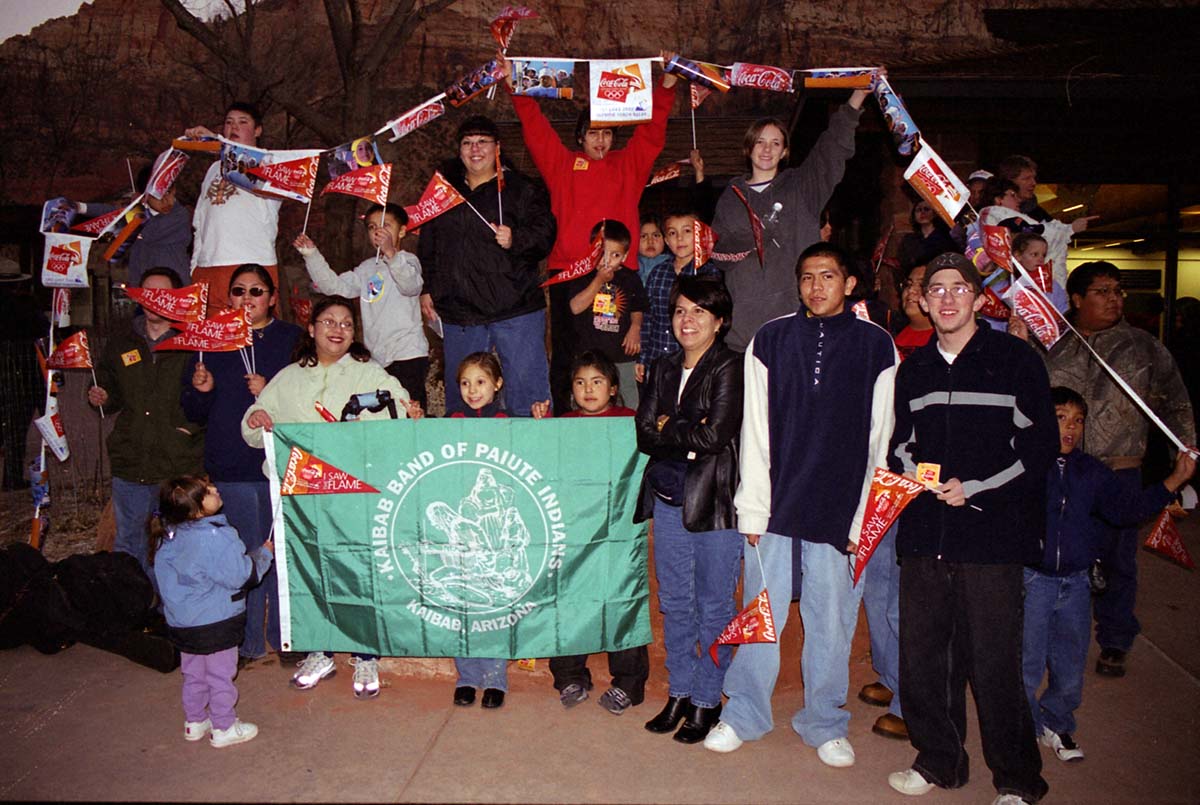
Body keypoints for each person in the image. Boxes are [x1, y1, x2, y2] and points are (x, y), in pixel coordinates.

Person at [705, 244, 897, 768]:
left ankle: (824, 720)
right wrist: (752, 509)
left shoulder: (877, 346)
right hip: (776, 503)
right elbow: (755, 432)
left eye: (828, 276)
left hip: (839, 508)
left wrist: (864, 517)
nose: (817, 286)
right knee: (760, 612)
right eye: (808, 277)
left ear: (849, 284)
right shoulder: (770, 339)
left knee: (831, 617)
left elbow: (881, 439)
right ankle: (744, 712)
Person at [885, 252, 1056, 803]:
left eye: (959, 288)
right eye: (936, 289)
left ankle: (1017, 779)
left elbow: (1039, 449)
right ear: (923, 300)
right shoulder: (915, 368)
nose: (947, 298)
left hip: (992, 534)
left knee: (994, 662)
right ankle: (940, 761)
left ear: (980, 297)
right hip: (925, 532)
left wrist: (975, 487)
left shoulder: (1015, 360)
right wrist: (917, 476)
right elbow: (898, 445)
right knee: (924, 657)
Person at [241, 298, 414, 699]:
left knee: (358, 568)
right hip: (304, 494)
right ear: (313, 329)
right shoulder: (288, 378)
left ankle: (365, 653)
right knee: (310, 571)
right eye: (329, 321)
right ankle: (319, 649)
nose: (338, 329)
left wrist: (410, 413)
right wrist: (257, 420)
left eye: (347, 323)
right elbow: (253, 427)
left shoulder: (371, 374)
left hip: (355, 492)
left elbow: (401, 413)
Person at [1024, 387, 1195, 764]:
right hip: (1032, 581)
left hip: (1077, 583)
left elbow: (1125, 510)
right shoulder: (1027, 464)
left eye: (1078, 420)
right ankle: (1023, 726)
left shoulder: (1093, 472)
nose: (1070, 428)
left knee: (1070, 660)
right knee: (1026, 661)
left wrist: (1174, 480)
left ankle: (1058, 723)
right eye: (1060, 417)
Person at [1042, 261, 1195, 677]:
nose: (1115, 299)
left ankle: (1115, 638)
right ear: (1077, 300)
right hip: (1064, 469)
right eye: (1103, 291)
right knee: (1064, 556)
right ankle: (1052, 638)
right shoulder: (1057, 347)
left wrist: (1187, 446)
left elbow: (1176, 400)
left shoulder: (1143, 347)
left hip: (1118, 466)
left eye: (1118, 291)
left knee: (1118, 560)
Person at [507, 55, 677, 413]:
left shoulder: (627, 165)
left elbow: (651, 135)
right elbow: (536, 129)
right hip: (570, 273)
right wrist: (514, 85)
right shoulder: (563, 165)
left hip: (618, 272)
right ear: (580, 137)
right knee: (570, 359)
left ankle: (628, 427)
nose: (600, 141)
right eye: (592, 133)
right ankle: (565, 423)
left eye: (607, 133)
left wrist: (667, 86)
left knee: (617, 359)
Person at [635, 278, 742, 742]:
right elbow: (644, 433)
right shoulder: (662, 366)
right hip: (667, 497)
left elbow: (714, 435)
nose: (688, 319)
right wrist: (683, 428)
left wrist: (670, 427)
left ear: (719, 321)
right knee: (675, 602)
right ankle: (679, 691)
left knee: (714, 605)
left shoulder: (731, 366)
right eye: (680, 310)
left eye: (700, 311)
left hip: (715, 501)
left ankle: (706, 699)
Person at [181, 265, 302, 664]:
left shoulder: (291, 339)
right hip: (231, 463)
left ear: (271, 297)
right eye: (238, 291)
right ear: (228, 298)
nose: (247, 298)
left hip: (277, 461)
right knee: (244, 555)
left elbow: (303, 402)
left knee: (281, 553)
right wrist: (202, 390)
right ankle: (248, 642)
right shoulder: (210, 341)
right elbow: (194, 412)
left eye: (256, 290)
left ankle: (285, 636)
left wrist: (271, 393)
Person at [710, 77, 877, 352]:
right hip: (745, 331)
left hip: (797, 322)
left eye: (775, 143)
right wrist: (753, 238)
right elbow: (718, 254)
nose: (767, 149)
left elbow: (831, 149)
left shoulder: (802, 187)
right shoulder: (730, 197)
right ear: (748, 147)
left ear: (785, 151)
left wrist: (858, 96)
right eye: (760, 142)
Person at [531, 350, 651, 715]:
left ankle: (629, 683)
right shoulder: (563, 423)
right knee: (568, 599)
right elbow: (542, 466)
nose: (588, 389)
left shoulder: (630, 421)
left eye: (597, 382)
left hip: (618, 531)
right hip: (574, 532)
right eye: (580, 382)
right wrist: (539, 430)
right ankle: (569, 675)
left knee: (622, 601)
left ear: (614, 388)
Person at [417, 115, 556, 416]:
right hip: (462, 313)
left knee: (528, 397)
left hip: (515, 308)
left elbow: (546, 233)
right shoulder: (444, 193)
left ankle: (535, 455)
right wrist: (428, 288)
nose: (475, 149)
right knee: (466, 401)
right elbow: (428, 244)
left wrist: (517, 238)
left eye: (483, 142)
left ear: (497, 148)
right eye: (467, 143)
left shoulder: (522, 188)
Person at [89, 268, 206, 580]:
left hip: (176, 461)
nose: (155, 301)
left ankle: (172, 612)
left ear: (176, 298)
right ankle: (133, 608)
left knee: (176, 540)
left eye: (163, 294)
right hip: (132, 458)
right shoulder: (122, 342)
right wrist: (100, 396)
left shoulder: (193, 342)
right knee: (130, 541)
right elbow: (108, 387)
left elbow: (207, 401)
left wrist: (188, 425)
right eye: (147, 293)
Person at [150, 476, 273, 748]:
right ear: (196, 510)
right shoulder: (216, 536)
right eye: (207, 491)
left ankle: (194, 721)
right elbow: (240, 576)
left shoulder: (168, 536)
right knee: (220, 675)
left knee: (193, 673)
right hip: (216, 623)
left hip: (183, 625)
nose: (216, 489)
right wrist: (263, 556)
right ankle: (224, 726)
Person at [295, 203, 429, 410]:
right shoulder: (367, 269)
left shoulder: (408, 260)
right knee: (383, 414)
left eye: (386, 226)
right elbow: (334, 287)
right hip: (377, 358)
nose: (379, 232)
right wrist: (311, 255)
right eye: (372, 227)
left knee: (409, 411)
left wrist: (391, 253)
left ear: (402, 231)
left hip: (407, 354)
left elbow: (411, 286)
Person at [447, 351, 508, 707]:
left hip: (495, 531)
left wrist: (539, 421)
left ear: (497, 384)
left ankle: (495, 678)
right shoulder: (450, 420)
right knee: (462, 604)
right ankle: (467, 675)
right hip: (463, 527)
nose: (472, 390)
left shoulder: (507, 421)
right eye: (465, 383)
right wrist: (417, 423)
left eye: (481, 382)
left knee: (494, 605)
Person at [185, 102, 282, 315]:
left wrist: (216, 142)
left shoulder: (270, 163)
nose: (234, 127)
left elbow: (246, 167)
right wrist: (195, 268)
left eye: (242, 122)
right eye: (229, 123)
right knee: (213, 340)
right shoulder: (212, 169)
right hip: (209, 267)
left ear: (258, 130)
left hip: (251, 263)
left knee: (252, 335)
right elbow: (200, 223)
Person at [564, 221, 647, 408]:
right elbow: (575, 307)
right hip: (588, 355)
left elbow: (638, 307)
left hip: (622, 355)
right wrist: (598, 280)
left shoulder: (630, 278)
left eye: (615, 255)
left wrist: (635, 328)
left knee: (629, 404)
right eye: (602, 254)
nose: (607, 261)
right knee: (585, 402)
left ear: (625, 256)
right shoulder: (583, 275)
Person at [639, 210, 723, 382]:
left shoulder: (708, 273)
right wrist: (642, 358)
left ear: (699, 234)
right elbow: (648, 317)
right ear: (666, 240)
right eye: (672, 233)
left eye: (687, 231)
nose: (679, 238)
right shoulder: (658, 273)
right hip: (657, 358)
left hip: (693, 360)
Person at [79, 164, 192, 285]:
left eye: (169, 192)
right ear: (145, 196)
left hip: (172, 286)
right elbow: (114, 215)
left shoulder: (179, 215)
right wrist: (79, 207)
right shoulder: (140, 213)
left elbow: (148, 231)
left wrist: (135, 208)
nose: (166, 200)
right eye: (157, 195)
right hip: (141, 283)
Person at [898, 198, 957, 273]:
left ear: (935, 213)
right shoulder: (909, 239)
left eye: (926, 209)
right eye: (918, 210)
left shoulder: (945, 237)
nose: (922, 212)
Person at [996, 154, 1051, 222]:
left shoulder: (1039, 213)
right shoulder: (992, 214)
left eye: (1034, 178)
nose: (1034, 183)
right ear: (1010, 181)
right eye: (1026, 178)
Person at [636, 212, 670, 288]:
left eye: (656, 235)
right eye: (643, 236)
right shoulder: (631, 266)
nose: (650, 241)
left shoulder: (671, 266)